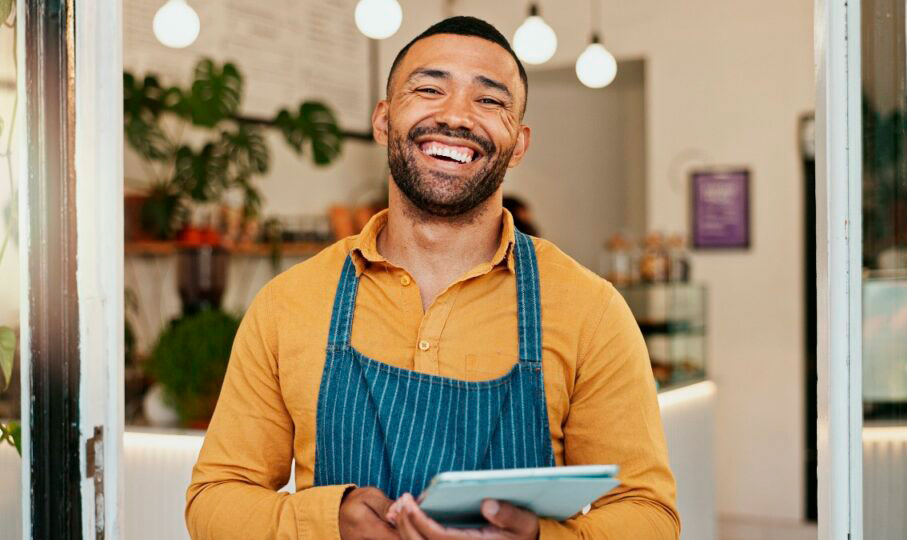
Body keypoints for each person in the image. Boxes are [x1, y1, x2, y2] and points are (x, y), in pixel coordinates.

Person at [185, 16, 679, 540]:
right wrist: (328, 523)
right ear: (383, 120)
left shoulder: (591, 310)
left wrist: (540, 539)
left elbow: (648, 515)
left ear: (519, 144)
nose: (456, 117)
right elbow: (215, 500)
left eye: (489, 101)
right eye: (428, 89)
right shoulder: (289, 303)